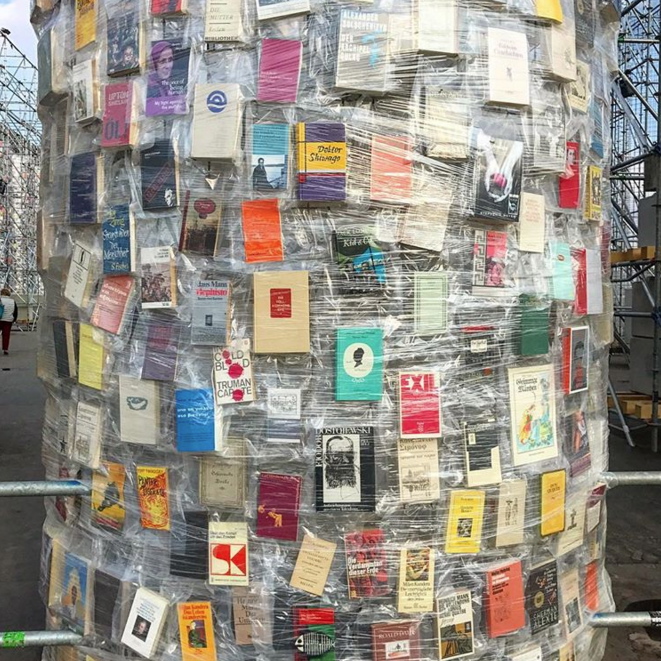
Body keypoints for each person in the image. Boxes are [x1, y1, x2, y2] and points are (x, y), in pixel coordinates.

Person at [0, 288, 17, 355]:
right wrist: (13, 319)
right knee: (6, 335)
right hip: (8, 320)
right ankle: (5, 349)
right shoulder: (12, 301)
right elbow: (15, 312)